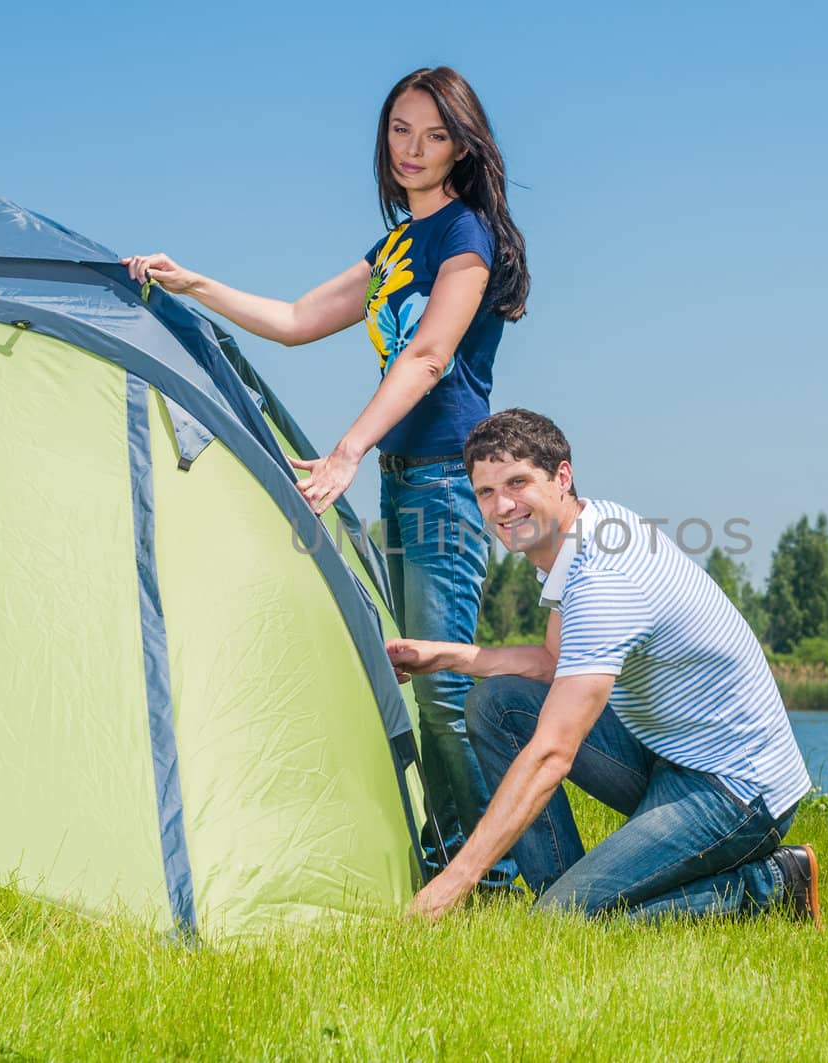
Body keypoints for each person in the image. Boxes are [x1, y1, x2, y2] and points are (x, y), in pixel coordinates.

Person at [123, 67, 527, 886]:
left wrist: (347, 450)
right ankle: (463, 863)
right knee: (417, 674)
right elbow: (300, 320)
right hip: (406, 477)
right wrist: (189, 280)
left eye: (435, 135)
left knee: (445, 689)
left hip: (450, 479)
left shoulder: (466, 238)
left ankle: (495, 878)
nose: (413, 150)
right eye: (401, 131)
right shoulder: (397, 246)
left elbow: (429, 354)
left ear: (464, 146)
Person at [388, 409, 821, 923]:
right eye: (485, 492)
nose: (502, 506)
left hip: (736, 791)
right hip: (667, 755)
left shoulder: (603, 579)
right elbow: (554, 664)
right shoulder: (585, 528)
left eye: (518, 482)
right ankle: (565, 893)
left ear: (562, 476)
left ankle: (771, 884)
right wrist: (447, 656)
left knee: (561, 923)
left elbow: (552, 755)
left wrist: (452, 884)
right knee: (497, 703)